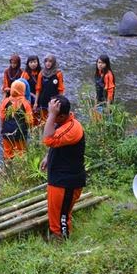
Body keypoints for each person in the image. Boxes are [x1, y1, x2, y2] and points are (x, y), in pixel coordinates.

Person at [41, 96, 86, 240]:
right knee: (56, 215)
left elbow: (48, 139)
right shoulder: (62, 123)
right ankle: (56, 238)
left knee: (61, 218)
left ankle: (62, 244)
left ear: (61, 116)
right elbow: (57, 143)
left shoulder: (73, 128)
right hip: (58, 179)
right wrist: (49, 156)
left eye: (53, 113)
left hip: (67, 182)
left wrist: (51, 115)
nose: (50, 115)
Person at [0, 79, 35, 159]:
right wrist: (31, 130)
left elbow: (2, 117)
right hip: (20, 132)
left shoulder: (5, 101)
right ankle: (18, 169)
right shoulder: (25, 103)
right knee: (20, 153)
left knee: (7, 152)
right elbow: (29, 120)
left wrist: (3, 128)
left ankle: (7, 169)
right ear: (23, 90)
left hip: (7, 130)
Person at [34, 54, 65, 122]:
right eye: (46, 61)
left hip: (54, 101)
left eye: (50, 61)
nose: (48, 63)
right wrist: (36, 102)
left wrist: (61, 102)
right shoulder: (41, 73)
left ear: (53, 62)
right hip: (43, 100)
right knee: (42, 119)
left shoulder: (58, 74)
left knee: (52, 119)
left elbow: (61, 89)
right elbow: (38, 89)